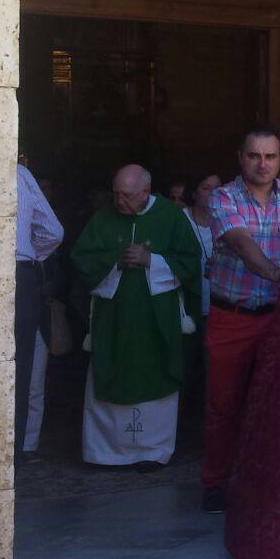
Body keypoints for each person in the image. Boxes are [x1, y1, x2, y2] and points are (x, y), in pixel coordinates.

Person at [203, 128, 280, 512]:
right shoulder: (223, 197)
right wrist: (279, 276)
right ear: (241, 157)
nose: (263, 164)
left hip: (279, 317)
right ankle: (215, 482)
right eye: (255, 156)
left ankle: (266, 482)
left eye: (270, 157)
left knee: (277, 401)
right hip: (233, 315)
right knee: (224, 404)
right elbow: (242, 244)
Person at [69, 165, 202, 467]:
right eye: (116, 194)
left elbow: (191, 261)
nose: (119, 202)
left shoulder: (170, 217)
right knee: (109, 369)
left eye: (127, 196)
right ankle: (105, 452)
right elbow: (81, 258)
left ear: (145, 192)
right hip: (112, 319)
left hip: (157, 320)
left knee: (156, 373)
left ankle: (152, 451)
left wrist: (150, 260)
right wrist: (115, 260)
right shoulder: (103, 217)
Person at [14, 162, 63, 463]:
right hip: (20, 275)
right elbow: (53, 232)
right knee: (20, 372)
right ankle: (15, 457)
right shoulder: (18, 173)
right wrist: (30, 256)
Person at [185, 173, 222, 316]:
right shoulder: (181, 220)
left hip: (218, 305)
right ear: (194, 193)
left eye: (217, 188)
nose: (213, 193)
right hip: (189, 304)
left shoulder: (230, 220)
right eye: (206, 188)